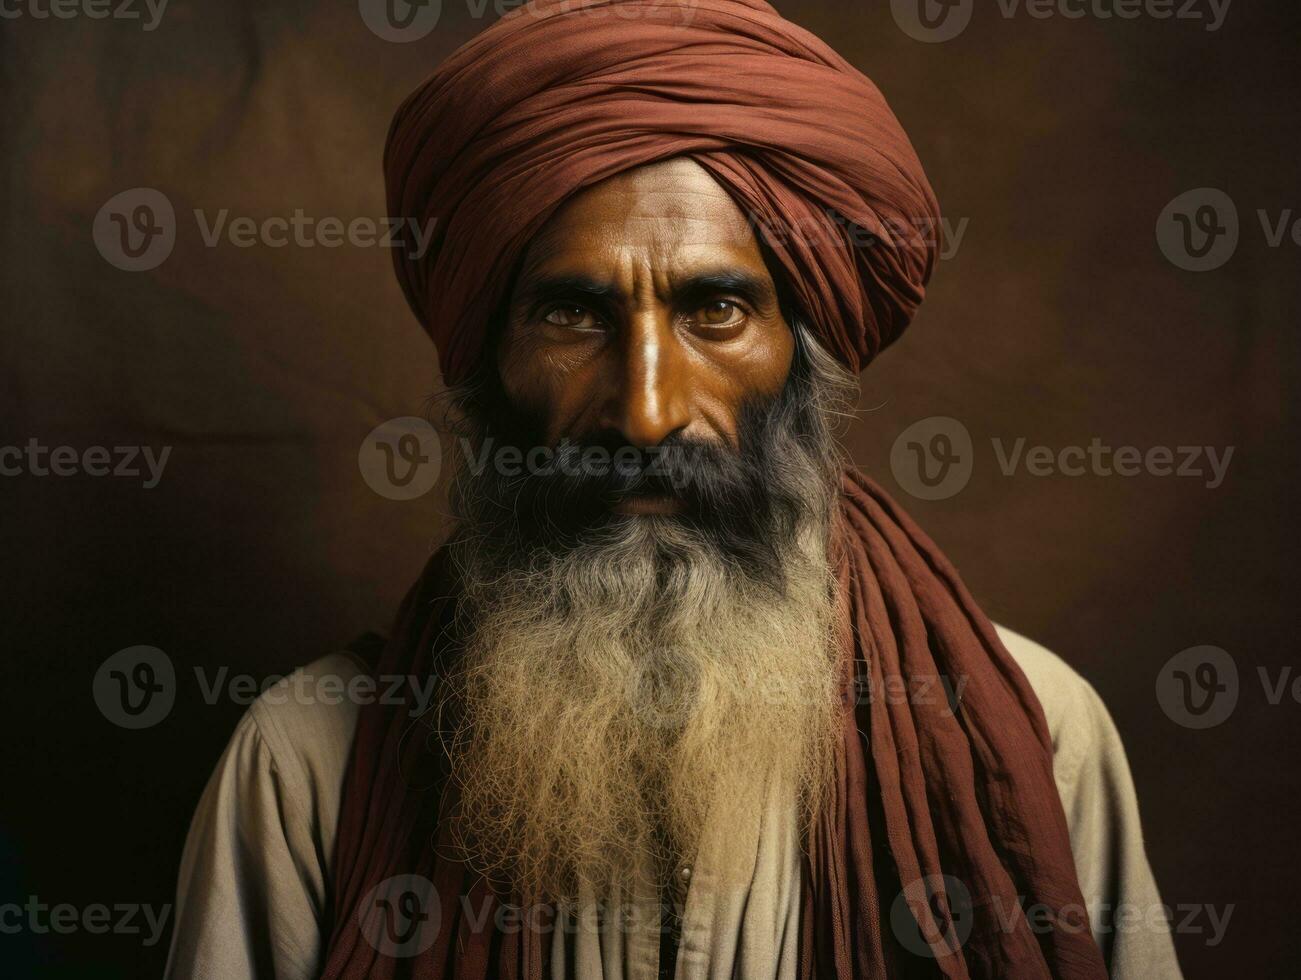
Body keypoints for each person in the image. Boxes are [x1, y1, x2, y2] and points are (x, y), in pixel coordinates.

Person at [165, 2, 1181, 977]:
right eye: (571, 314)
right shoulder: (308, 770)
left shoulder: (1031, 735)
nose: (645, 410)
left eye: (717, 308)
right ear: (489, 365)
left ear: (803, 355)